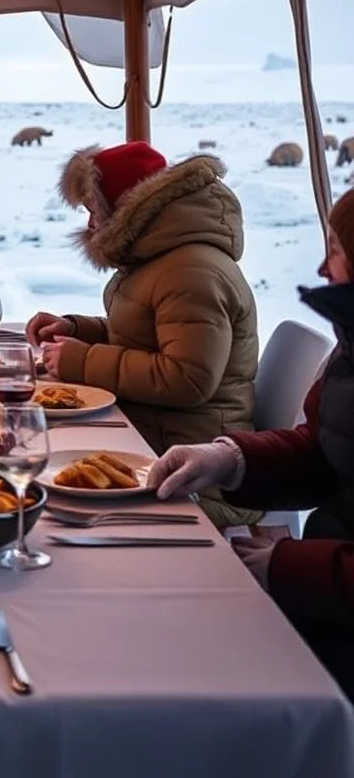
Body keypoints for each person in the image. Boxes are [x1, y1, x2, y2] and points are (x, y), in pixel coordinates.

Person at [148, 189, 354, 696]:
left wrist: (285, 567)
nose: (323, 269)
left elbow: (184, 377)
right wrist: (229, 460)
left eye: (334, 249)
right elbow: (325, 452)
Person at [26, 142, 259, 528]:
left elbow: (186, 378)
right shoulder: (162, 256)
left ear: (127, 211)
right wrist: (76, 329)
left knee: (42, 489)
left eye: (95, 213)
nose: (90, 226)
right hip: (159, 434)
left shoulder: (191, 271)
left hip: (193, 467)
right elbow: (145, 336)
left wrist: (81, 360)